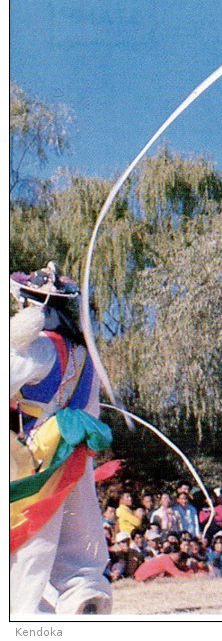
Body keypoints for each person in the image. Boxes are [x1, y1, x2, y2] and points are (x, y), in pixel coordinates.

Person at [10, 262, 113, 615]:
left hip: (36, 452)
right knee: (80, 526)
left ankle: (28, 612)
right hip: (74, 448)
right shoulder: (84, 353)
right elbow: (91, 410)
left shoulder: (39, 347)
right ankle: (85, 593)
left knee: (32, 528)